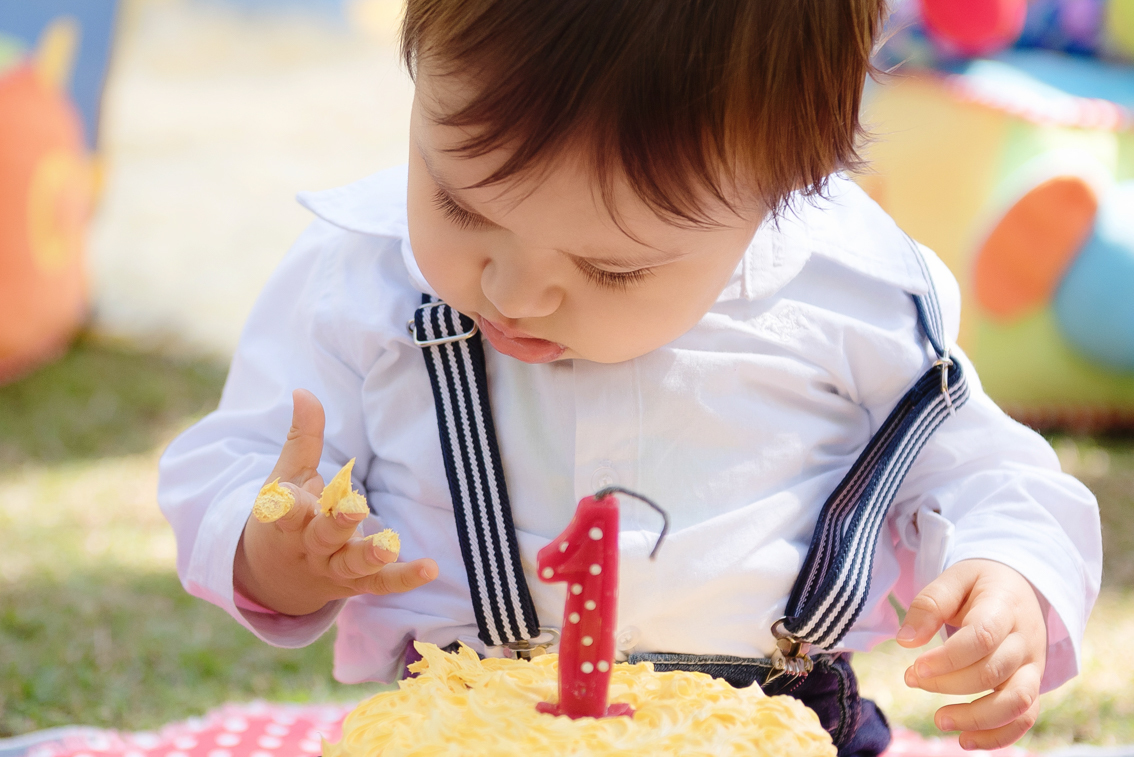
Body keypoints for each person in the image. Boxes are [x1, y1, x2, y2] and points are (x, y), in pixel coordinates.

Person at [157, 1, 1101, 754]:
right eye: (458, 200)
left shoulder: (850, 294)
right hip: (463, 723)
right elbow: (239, 463)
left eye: (613, 267)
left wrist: (1010, 572)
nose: (515, 290)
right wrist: (268, 542)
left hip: (770, 725)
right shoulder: (359, 277)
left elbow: (992, 477)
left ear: (783, 189)